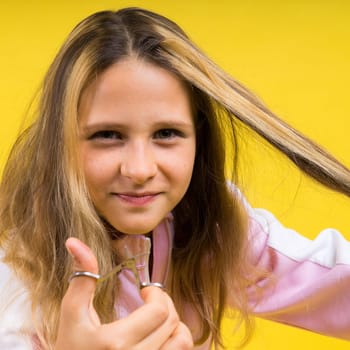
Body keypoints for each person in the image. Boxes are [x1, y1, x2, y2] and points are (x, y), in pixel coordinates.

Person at [0, 7, 349, 350]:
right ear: (60, 143)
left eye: (166, 133)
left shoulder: (209, 225)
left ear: (199, 138)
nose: (139, 170)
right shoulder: (14, 275)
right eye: (107, 135)